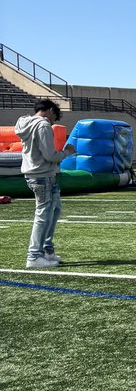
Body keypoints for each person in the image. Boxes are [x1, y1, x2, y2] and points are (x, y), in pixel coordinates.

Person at [15, 99, 75, 270]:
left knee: (54, 210)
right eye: (54, 117)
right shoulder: (42, 125)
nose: (53, 122)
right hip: (42, 175)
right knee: (43, 214)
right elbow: (50, 155)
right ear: (49, 111)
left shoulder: (25, 123)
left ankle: (46, 250)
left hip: (41, 174)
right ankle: (34, 255)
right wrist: (67, 152)